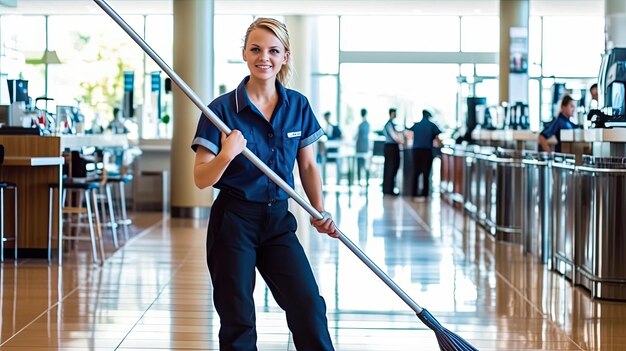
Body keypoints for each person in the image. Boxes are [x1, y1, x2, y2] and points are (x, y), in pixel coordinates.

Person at [191, 18, 337, 351]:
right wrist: (226, 154)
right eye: (255, 49)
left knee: (308, 306)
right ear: (244, 53)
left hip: (278, 222)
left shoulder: (297, 105)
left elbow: (309, 165)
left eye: (273, 50)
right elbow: (201, 178)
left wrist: (319, 210)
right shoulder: (221, 110)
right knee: (238, 317)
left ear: (285, 56)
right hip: (233, 221)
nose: (264, 57)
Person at [406, 109, 442, 201]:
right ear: (429, 116)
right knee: (426, 173)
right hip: (427, 151)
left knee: (416, 172)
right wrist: (441, 146)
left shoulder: (416, 125)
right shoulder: (432, 125)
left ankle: (414, 194)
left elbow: (408, 134)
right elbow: (438, 139)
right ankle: (425, 195)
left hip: (416, 151)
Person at [381, 108, 404, 195]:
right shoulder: (389, 124)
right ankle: (388, 189)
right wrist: (402, 141)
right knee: (391, 168)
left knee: (393, 167)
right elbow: (394, 137)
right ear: (391, 113)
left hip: (392, 148)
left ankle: (390, 188)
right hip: (391, 148)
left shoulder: (392, 124)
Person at [355, 108, 370, 184]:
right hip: (365, 146)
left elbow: (357, 136)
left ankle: (359, 180)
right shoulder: (367, 124)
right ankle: (366, 180)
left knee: (359, 164)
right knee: (365, 164)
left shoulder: (361, 125)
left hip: (360, 146)